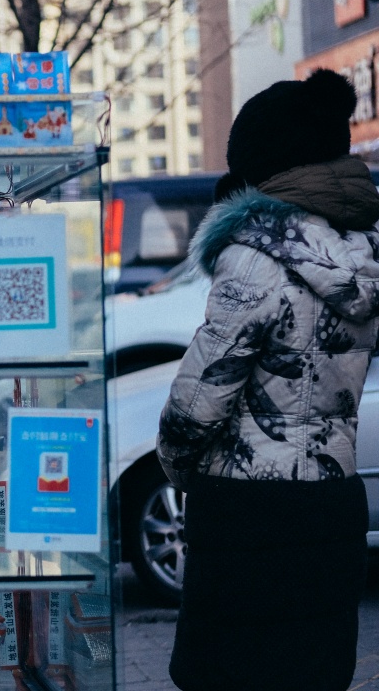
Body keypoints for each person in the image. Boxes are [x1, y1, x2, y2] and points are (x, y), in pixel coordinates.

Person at [157, 68, 379, 691]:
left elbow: (200, 399)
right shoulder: (365, 249)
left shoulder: (256, 255)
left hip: (250, 515)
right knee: (313, 673)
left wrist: (180, 469)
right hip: (333, 502)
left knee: (230, 675)